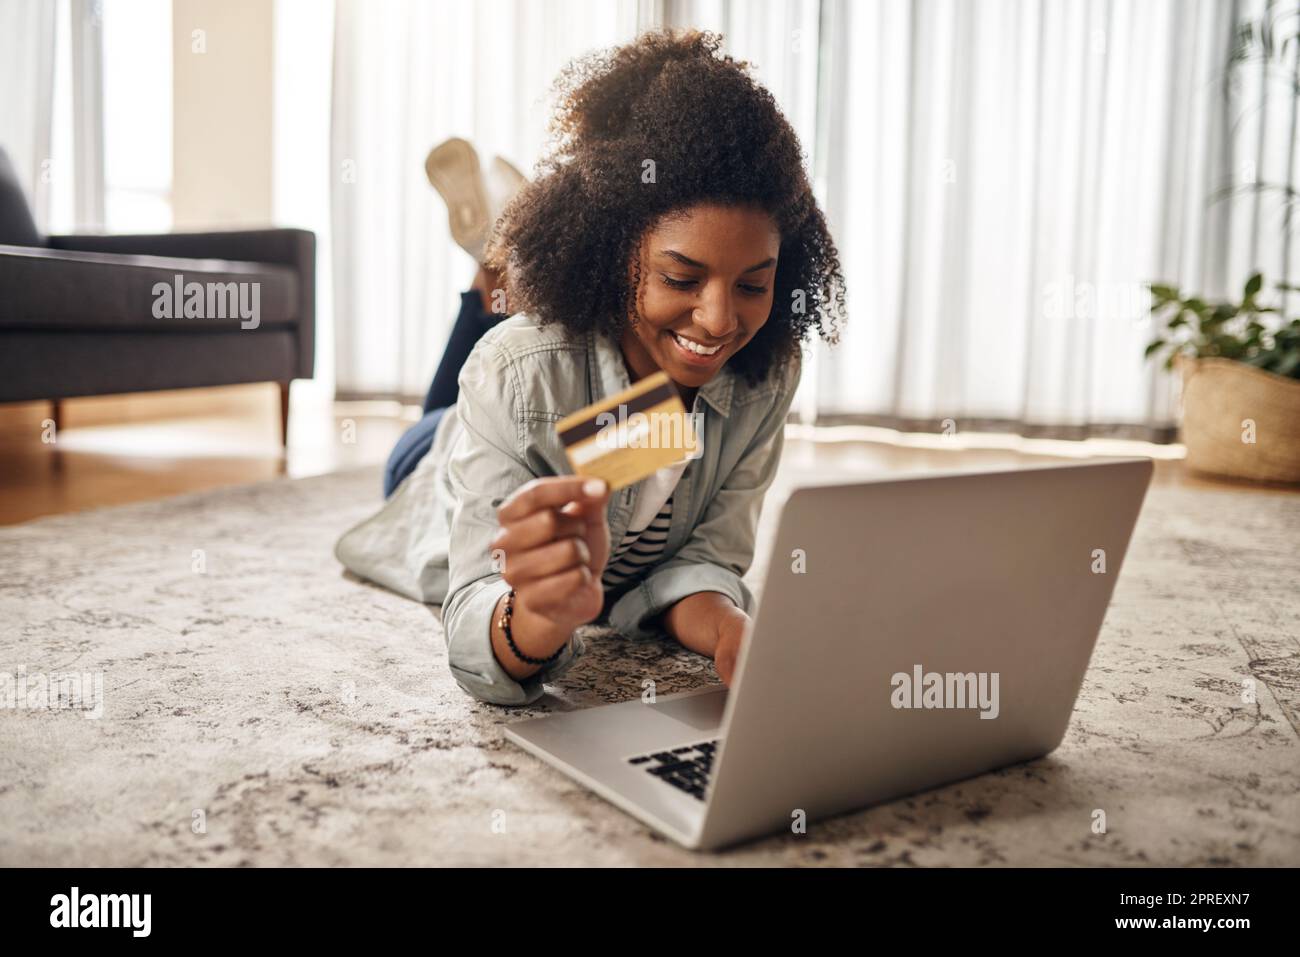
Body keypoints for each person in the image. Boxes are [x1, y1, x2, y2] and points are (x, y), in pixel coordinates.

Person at [336, 29, 847, 706]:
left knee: (538, 371)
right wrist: (537, 619)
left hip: (555, 387)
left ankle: (497, 257)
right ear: (610, 251)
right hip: (432, 461)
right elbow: (476, 603)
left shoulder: (766, 373)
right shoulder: (513, 372)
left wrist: (727, 624)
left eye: (753, 285)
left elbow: (704, 557)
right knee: (467, 394)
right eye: (681, 276)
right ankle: (490, 267)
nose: (722, 320)